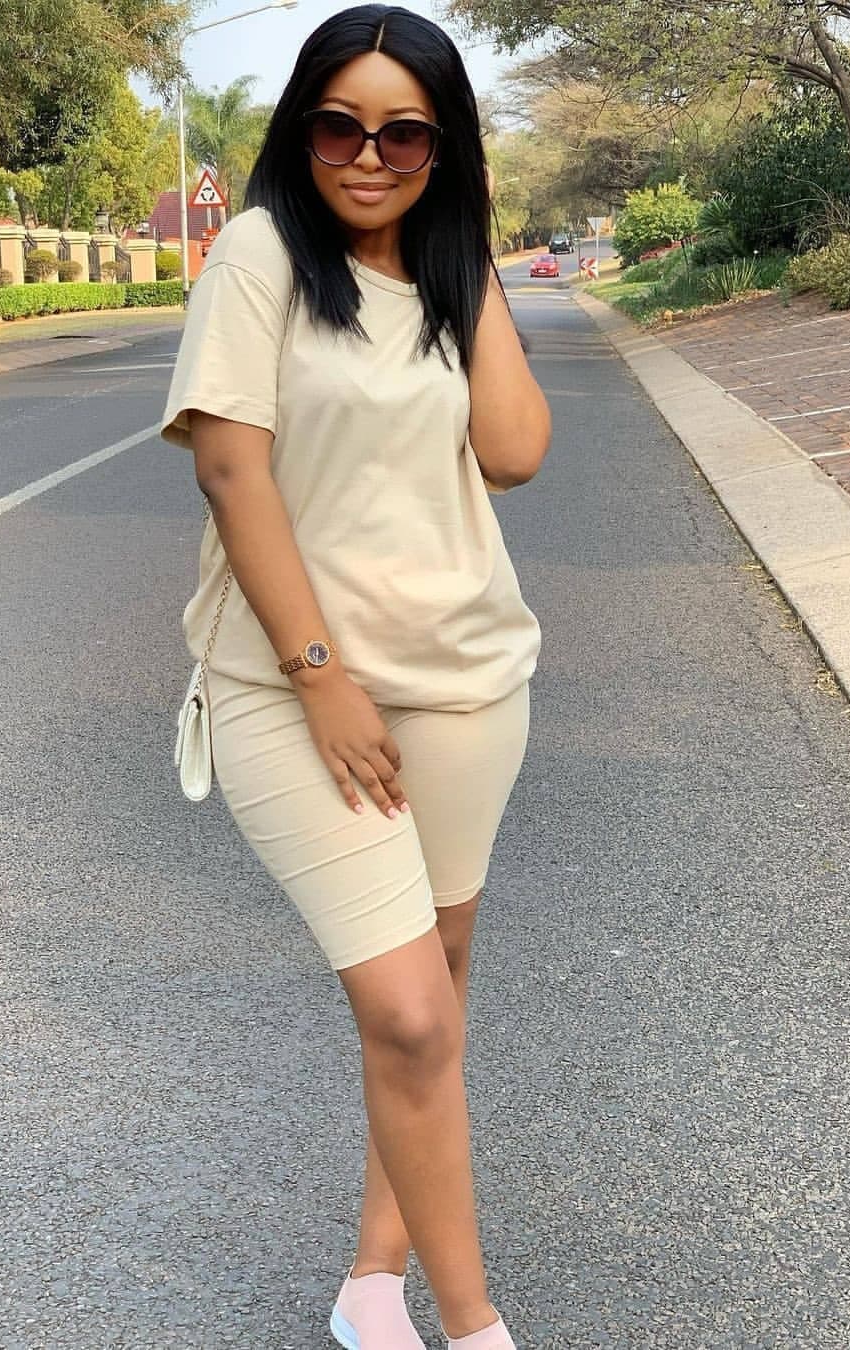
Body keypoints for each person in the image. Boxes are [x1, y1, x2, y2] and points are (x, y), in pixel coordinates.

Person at [159, 6, 550, 1346]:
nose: (368, 157)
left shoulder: (446, 274)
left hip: (467, 682)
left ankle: (371, 1278)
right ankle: (476, 1323)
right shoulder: (260, 256)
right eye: (340, 127)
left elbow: (515, 452)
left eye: (404, 135)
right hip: (296, 692)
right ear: (301, 132)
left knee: (433, 996)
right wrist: (320, 673)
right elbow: (231, 469)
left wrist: (471, 252)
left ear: (444, 150)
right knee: (410, 1013)